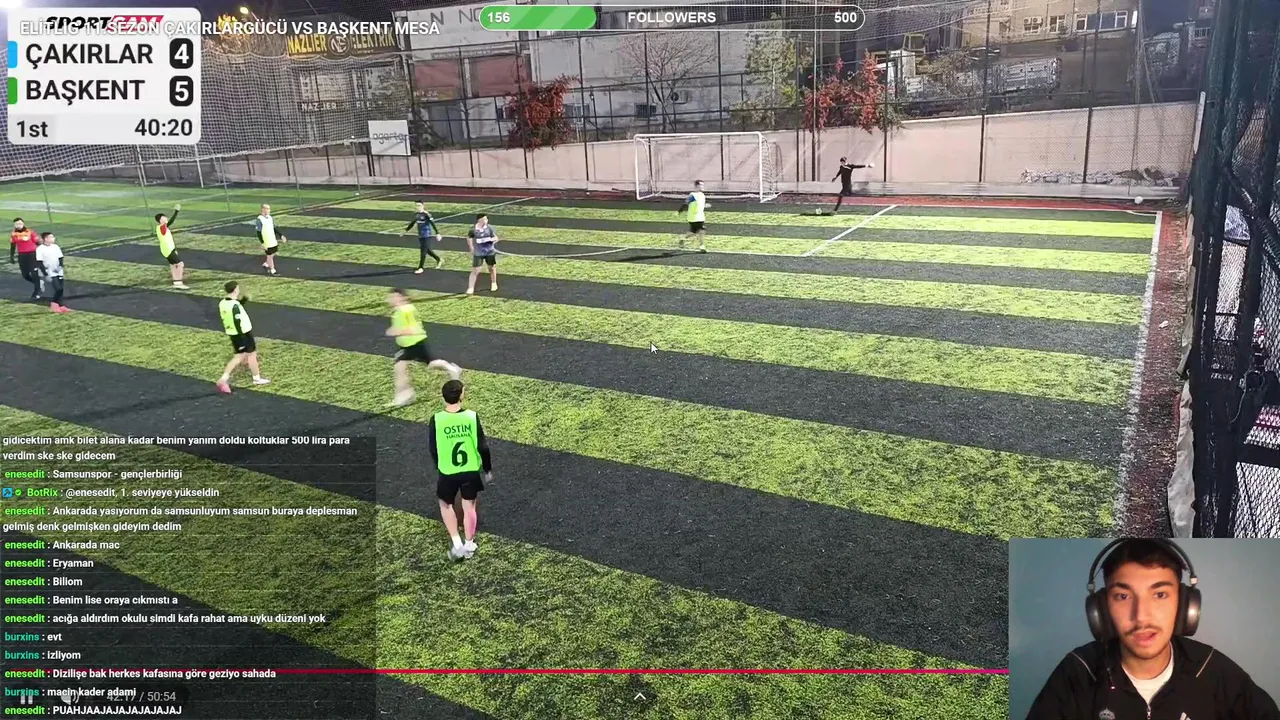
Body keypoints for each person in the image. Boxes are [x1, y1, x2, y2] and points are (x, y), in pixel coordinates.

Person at [1026, 539, 1280, 720]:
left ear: (1185, 606)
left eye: (1160, 595)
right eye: (1123, 597)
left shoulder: (1211, 669)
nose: (1141, 617)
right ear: (1101, 610)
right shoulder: (1079, 672)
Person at [426, 379, 493, 561]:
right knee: (469, 506)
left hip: (447, 471)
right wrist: (487, 468)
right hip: (470, 469)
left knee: (445, 505)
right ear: (461, 395)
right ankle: (469, 544)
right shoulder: (471, 416)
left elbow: (433, 448)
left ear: (444, 397)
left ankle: (457, 543)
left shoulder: (436, 419)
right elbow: (483, 446)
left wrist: (439, 465)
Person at [385, 288, 462, 407]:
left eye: (394, 297)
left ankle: (404, 396)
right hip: (409, 344)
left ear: (402, 297)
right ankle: (451, 369)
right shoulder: (403, 309)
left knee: (401, 368)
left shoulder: (405, 310)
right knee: (427, 364)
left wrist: (395, 331)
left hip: (413, 343)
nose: (391, 299)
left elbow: (413, 329)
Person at [215, 280, 270, 394]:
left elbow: (235, 308)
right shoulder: (234, 305)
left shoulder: (223, 302)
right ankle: (255, 378)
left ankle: (243, 369)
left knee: (242, 355)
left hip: (232, 333)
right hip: (242, 333)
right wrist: (242, 337)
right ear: (235, 289)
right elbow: (237, 319)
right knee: (248, 355)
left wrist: (244, 299)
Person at [155, 204, 190, 290]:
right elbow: (170, 222)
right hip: (168, 250)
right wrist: (176, 211)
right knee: (180, 264)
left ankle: (176, 282)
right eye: (164, 217)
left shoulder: (161, 227)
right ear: (160, 220)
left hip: (168, 249)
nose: (165, 218)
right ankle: (179, 282)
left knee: (173, 265)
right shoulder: (162, 227)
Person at [404, 200, 443, 273]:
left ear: (423, 206)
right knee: (427, 250)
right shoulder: (417, 215)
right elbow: (412, 223)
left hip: (427, 235)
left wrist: (437, 233)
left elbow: (432, 223)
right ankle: (438, 259)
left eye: (419, 205)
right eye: (416, 206)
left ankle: (420, 268)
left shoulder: (426, 214)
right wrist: (406, 230)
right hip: (420, 235)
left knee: (423, 252)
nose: (418, 207)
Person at [465, 214, 499, 295]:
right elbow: (469, 238)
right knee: (475, 270)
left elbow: (496, 238)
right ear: (479, 220)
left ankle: (494, 283)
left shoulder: (489, 228)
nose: (486, 221)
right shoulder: (473, 229)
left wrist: (491, 239)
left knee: (491, 268)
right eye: (484, 219)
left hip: (489, 252)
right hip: (479, 253)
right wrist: (471, 248)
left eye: (486, 219)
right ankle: (470, 287)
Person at [35, 232, 68, 313]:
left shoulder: (55, 247)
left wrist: (60, 266)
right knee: (57, 289)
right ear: (46, 239)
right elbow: (39, 262)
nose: (53, 238)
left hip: (58, 271)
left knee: (61, 289)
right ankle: (54, 304)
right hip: (49, 272)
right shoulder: (40, 249)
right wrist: (45, 274)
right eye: (51, 237)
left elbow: (60, 258)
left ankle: (61, 306)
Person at [9, 218, 41, 300]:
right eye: (16, 224)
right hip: (22, 255)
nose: (18, 225)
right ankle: (38, 283)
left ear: (23, 224)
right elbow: (13, 246)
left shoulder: (30, 232)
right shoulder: (13, 234)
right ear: (14, 225)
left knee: (34, 273)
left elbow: (38, 243)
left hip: (32, 255)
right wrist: (11, 256)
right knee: (25, 275)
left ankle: (37, 291)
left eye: (20, 223)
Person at [254, 204, 286, 275]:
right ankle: (272, 270)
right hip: (266, 241)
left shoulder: (270, 217)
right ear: (263, 209)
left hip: (272, 240)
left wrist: (281, 235)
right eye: (267, 209)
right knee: (269, 255)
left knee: (273, 253)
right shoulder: (259, 220)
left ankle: (266, 263)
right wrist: (263, 243)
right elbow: (258, 233)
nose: (269, 210)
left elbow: (273, 228)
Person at [678, 180, 708, 252]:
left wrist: (705, 206)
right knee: (701, 230)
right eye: (701, 185)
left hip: (700, 216)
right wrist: (680, 211)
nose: (703, 186)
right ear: (697, 186)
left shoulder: (702, 195)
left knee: (694, 232)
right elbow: (686, 203)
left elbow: (699, 204)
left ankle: (683, 238)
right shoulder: (692, 195)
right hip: (693, 217)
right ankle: (702, 246)